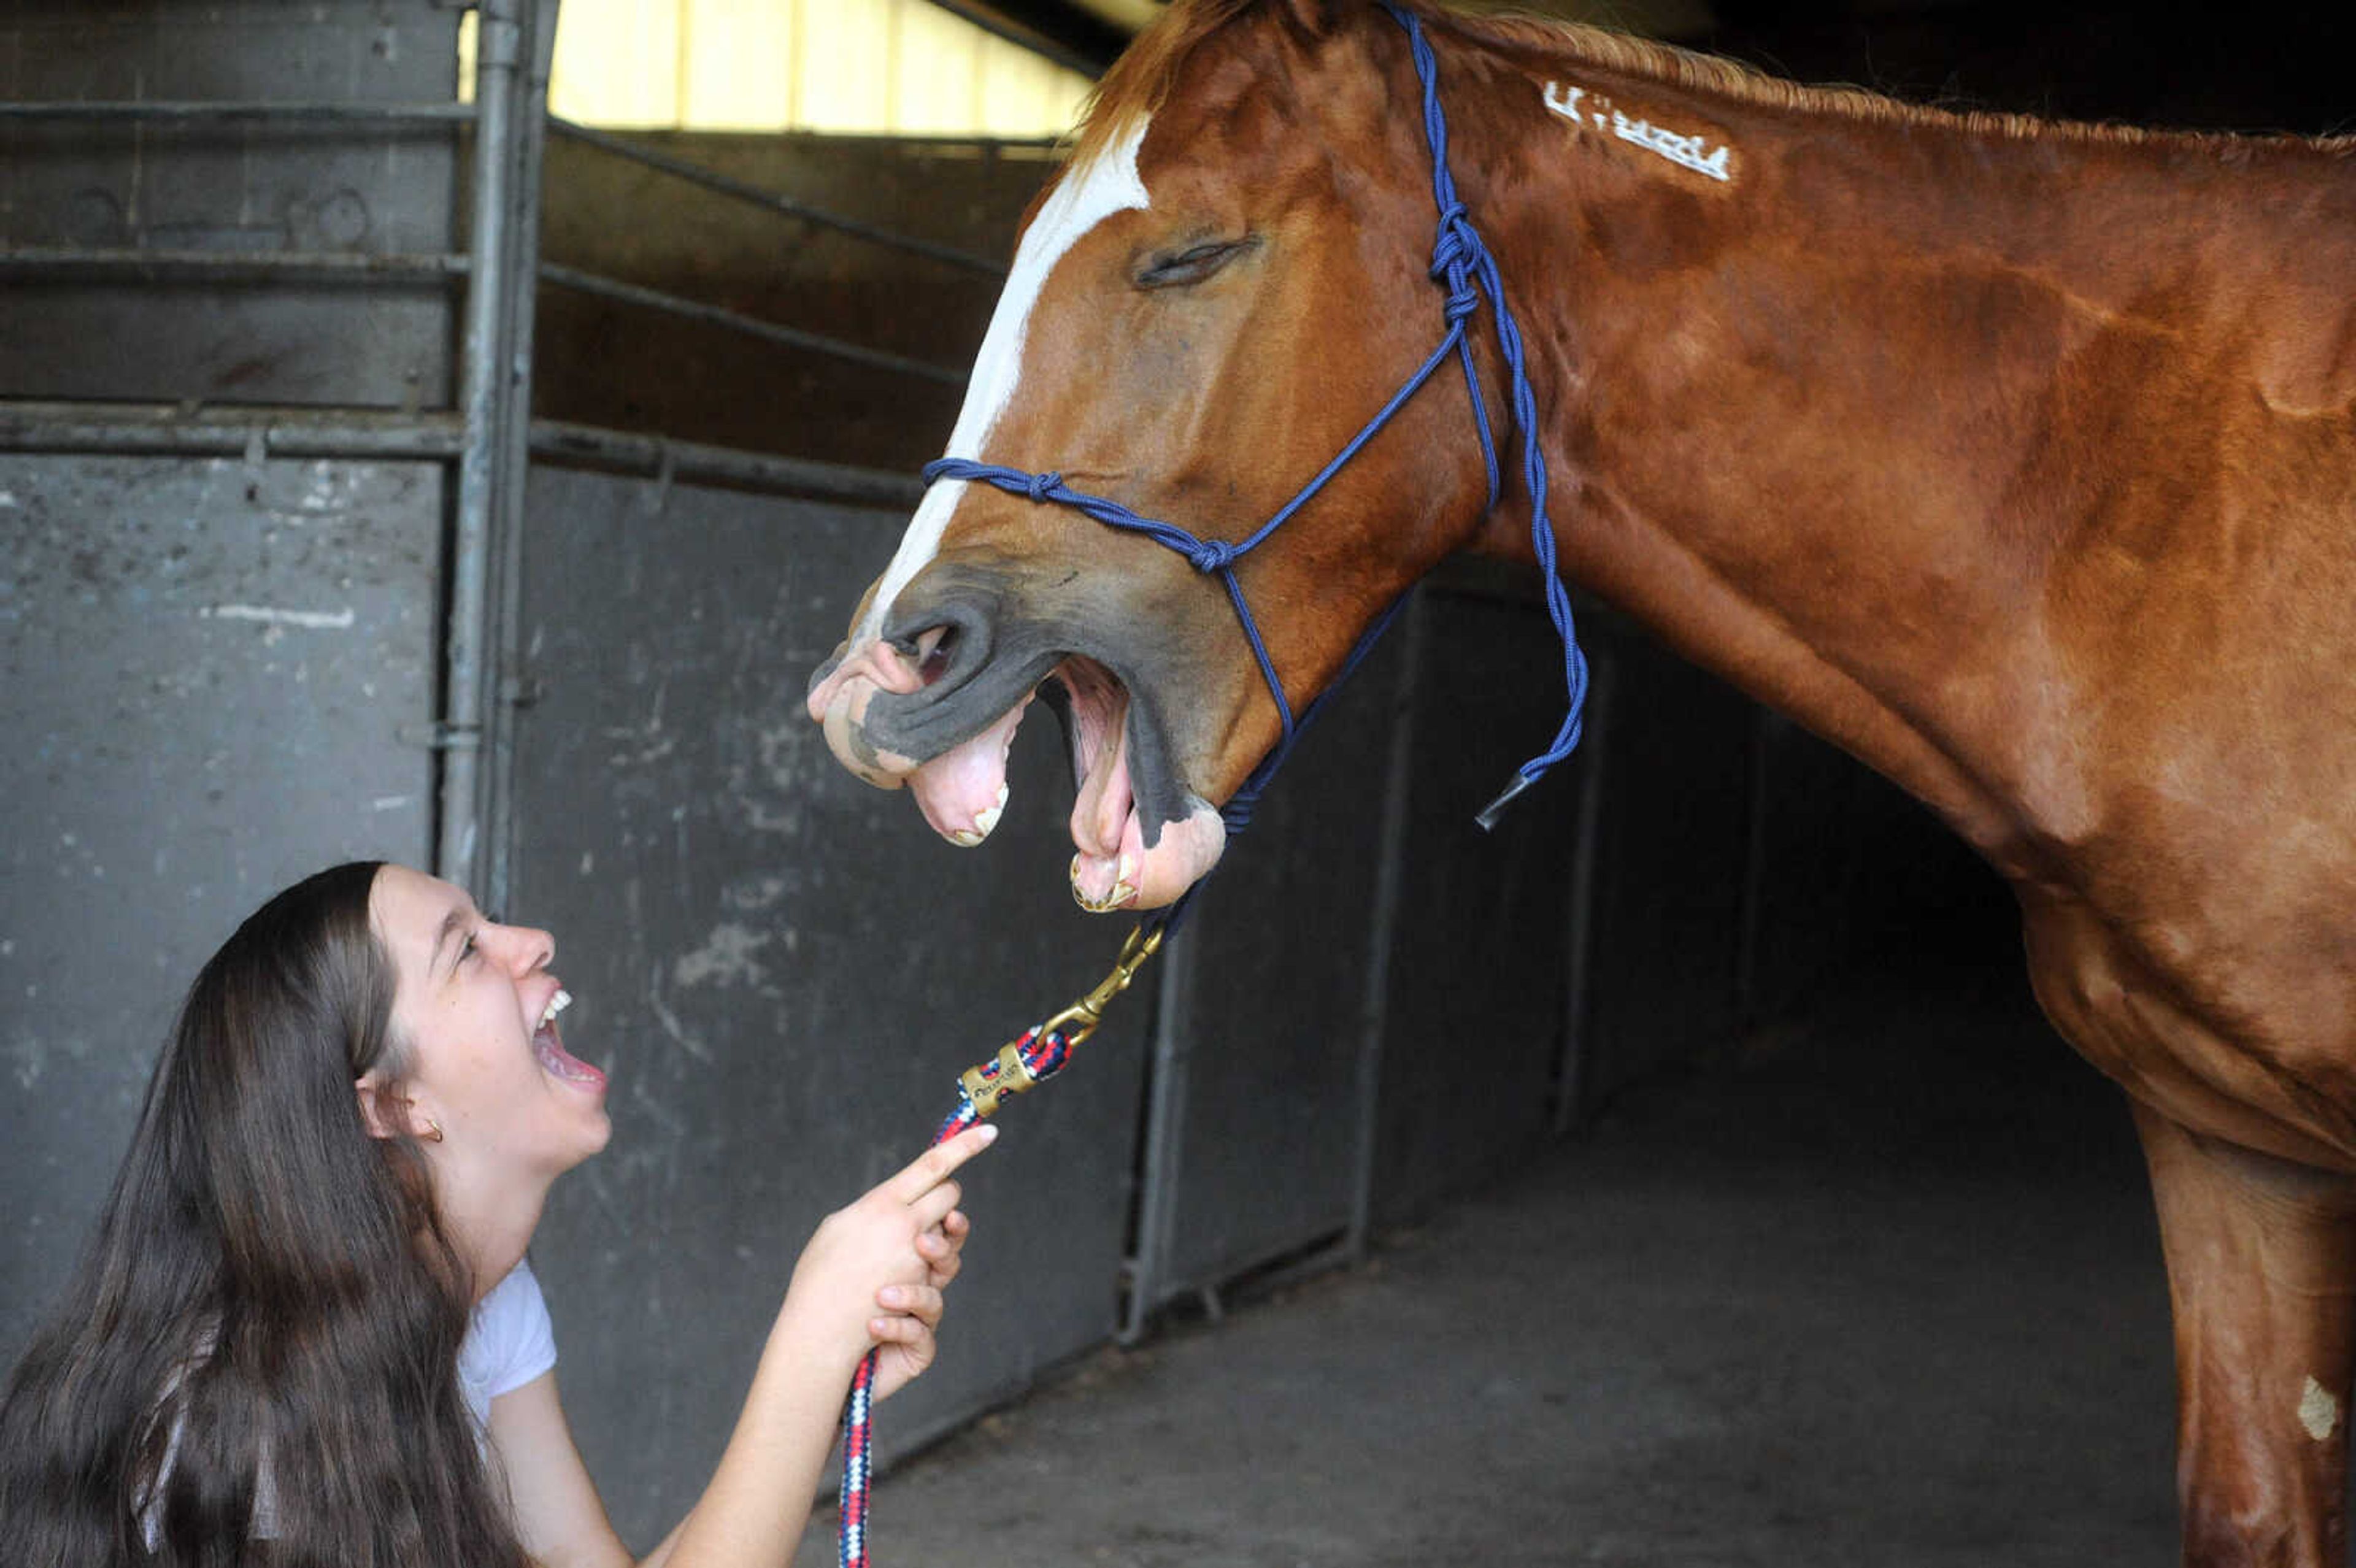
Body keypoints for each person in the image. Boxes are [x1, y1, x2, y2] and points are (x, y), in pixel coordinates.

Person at [0, 859, 993, 1567]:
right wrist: (810, 1340)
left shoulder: (489, 1302)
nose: (531, 943)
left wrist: (825, 1379)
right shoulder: (238, 1428)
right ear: (394, 1105)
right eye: (466, 952)